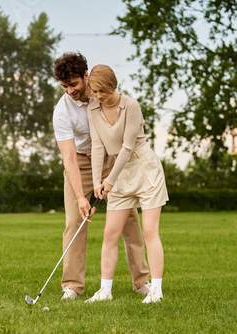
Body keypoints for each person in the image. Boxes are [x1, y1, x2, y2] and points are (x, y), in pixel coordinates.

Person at [52, 53, 151, 300]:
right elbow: (69, 159)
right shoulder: (62, 111)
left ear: (85, 76)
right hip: (81, 166)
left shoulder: (103, 93)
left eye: (73, 84)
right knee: (75, 221)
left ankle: (141, 282)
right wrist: (81, 197)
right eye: (64, 86)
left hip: (112, 160)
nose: (69, 91)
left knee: (128, 219)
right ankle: (72, 287)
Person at [84, 64, 168, 304]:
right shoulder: (93, 108)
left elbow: (127, 147)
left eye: (103, 91)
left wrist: (109, 180)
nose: (99, 96)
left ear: (113, 86)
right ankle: (105, 291)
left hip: (144, 169)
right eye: (95, 91)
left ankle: (156, 291)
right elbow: (98, 146)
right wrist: (99, 181)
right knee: (110, 233)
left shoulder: (131, 105)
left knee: (150, 231)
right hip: (118, 175)